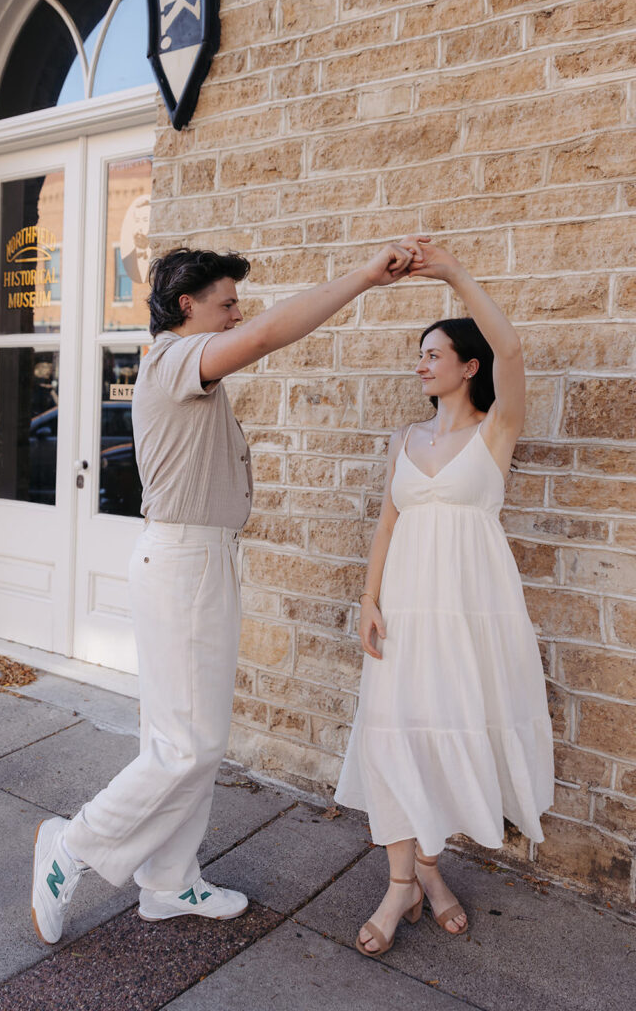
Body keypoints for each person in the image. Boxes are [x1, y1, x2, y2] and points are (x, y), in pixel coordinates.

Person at [30, 236, 426, 945]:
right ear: (188, 305)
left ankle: (169, 880)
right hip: (184, 563)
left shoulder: (180, 366)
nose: (236, 314)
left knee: (189, 740)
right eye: (226, 304)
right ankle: (72, 846)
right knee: (185, 747)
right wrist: (364, 277)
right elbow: (269, 334)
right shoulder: (177, 355)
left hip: (197, 561)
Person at [334, 242, 554, 957]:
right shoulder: (408, 436)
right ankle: (403, 882)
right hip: (402, 614)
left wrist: (456, 273)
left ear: (469, 366)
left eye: (435, 353)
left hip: (467, 614)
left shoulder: (496, 433)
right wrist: (368, 599)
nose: (421, 364)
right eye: (418, 354)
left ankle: (429, 870)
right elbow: (387, 522)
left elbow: (513, 351)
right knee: (393, 736)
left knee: (447, 735)